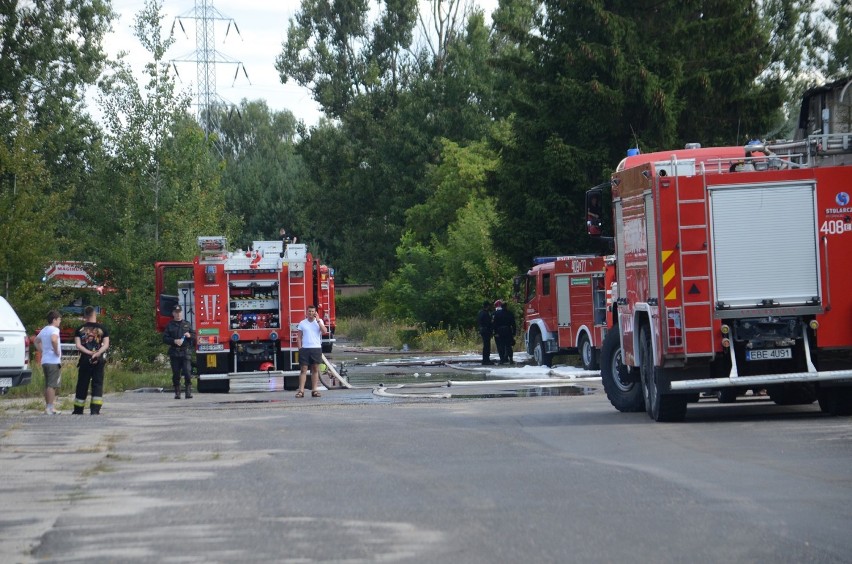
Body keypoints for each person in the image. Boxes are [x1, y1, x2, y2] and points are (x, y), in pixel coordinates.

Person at [73, 306, 110, 414]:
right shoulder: (102, 329)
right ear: (95, 314)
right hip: (98, 360)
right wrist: (97, 353)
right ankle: (95, 410)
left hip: (85, 359)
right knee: (97, 384)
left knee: (82, 384)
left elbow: (78, 345)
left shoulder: (79, 329)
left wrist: (89, 353)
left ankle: (78, 409)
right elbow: (106, 344)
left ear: (85, 316)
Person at [295, 304, 328, 398]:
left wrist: (318, 321)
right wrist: (300, 349)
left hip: (316, 348)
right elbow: (299, 337)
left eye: (313, 311)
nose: (311, 313)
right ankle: (301, 391)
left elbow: (325, 331)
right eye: (309, 311)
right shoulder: (302, 323)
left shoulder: (319, 321)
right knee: (303, 369)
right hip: (305, 349)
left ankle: (314, 390)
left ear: (315, 312)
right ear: (307, 312)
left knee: (315, 369)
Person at [34, 310, 63, 415]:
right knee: (52, 385)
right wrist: (56, 351)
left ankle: (49, 406)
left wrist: (42, 351)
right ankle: (50, 408)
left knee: (48, 385)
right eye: (59, 319)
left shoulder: (44, 329)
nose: (60, 321)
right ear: (54, 319)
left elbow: (36, 341)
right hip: (53, 361)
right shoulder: (55, 330)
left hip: (45, 360)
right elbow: (54, 339)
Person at [163, 304, 194, 399]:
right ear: (173, 313)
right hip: (174, 352)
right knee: (176, 373)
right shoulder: (170, 325)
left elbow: (194, 336)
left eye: (179, 312)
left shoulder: (187, 324)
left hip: (185, 352)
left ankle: (188, 391)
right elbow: (165, 338)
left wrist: (190, 336)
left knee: (188, 372)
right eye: (176, 313)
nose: (178, 314)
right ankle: (177, 392)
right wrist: (174, 341)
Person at [492, 300, 517, 365]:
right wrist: (514, 332)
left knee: (501, 346)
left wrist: (495, 332)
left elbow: (494, 324)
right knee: (508, 346)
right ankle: (511, 359)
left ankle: (502, 360)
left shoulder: (497, 313)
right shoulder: (510, 313)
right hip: (508, 331)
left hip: (500, 331)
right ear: (506, 307)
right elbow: (513, 324)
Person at [478, 300, 494, 365]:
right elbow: (488, 323)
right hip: (486, 331)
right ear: (487, 306)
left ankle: (485, 359)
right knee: (487, 346)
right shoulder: (486, 313)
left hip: (482, 330)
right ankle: (486, 360)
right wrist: (492, 321)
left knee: (485, 345)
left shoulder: (480, 313)